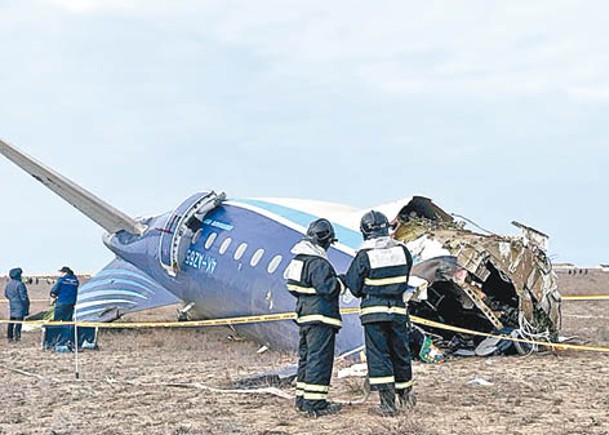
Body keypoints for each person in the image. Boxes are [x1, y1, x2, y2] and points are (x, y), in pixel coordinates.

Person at [343, 210, 416, 416]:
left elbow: (354, 286)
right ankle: (406, 397)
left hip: (374, 314)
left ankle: (387, 404)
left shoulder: (364, 255)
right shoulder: (403, 251)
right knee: (400, 353)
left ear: (365, 232)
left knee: (379, 355)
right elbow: (405, 277)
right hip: (398, 312)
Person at [286, 218, 344, 417]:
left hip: (305, 317)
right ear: (325, 241)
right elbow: (329, 288)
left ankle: (303, 400)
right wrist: (341, 282)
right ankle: (316, 404)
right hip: (321, 318)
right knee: (320, 359)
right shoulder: (318, 263)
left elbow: (292, 287)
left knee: (307, 358)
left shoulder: (298, 260)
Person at [4, 267, 30, 343]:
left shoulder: (9, 284)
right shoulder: (20, 284)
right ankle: (17, 337)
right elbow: (24, 297)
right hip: (20, 306)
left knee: (11, 322)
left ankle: (9, 337)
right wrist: (27, 305)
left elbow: (6, 294)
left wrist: (12, 299)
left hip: (12, 305)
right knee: (18, 323)